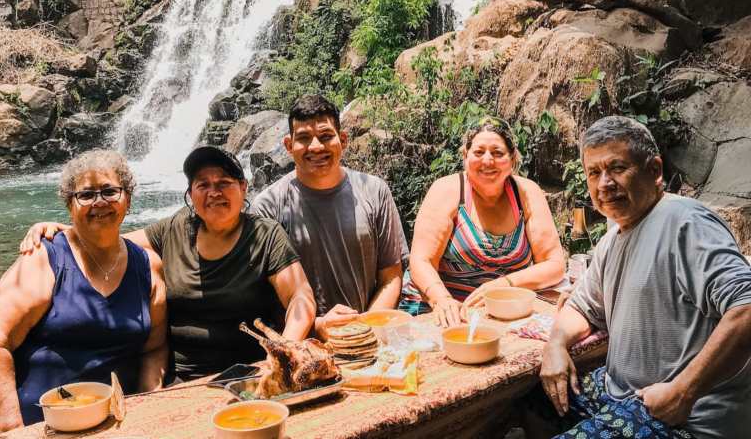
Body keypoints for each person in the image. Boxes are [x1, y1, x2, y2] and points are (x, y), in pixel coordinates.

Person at [21, 145, 316, 381]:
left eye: (224, 183)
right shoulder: (175, 228)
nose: (214, 192)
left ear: (243, 188)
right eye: (203, 184)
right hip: (181, 378)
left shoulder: (265, 235)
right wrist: (67, 230)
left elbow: (300, 296)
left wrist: (282, 351)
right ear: (190, 195)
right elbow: (111, 240)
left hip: (252, 373)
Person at [537, 116, 751, 439]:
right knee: (534, 397)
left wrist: (683, 391)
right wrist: (555, 344)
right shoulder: (614, 237)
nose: (604, 183)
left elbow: (747, 306)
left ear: (655, 171)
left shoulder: (686, 223)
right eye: (594, 173)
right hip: (623, 394)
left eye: (617, 168)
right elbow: (582, 307)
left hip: (683, 419)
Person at [0, 150, 167, 437]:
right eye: (86, 195)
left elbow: (154, 349)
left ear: (127, 200)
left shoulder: (148, 268)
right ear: (70, 205)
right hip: (17, 426)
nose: (99, 202)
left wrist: (148, 410)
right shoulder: (41, 261)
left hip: (100, 426)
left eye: (110, 191)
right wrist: (13, 431)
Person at [251, 94, 409, 339]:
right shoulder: (268, 207)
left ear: (343, 140)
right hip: (302, 344)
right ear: (288, 145)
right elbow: (264, 296)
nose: (316, 147)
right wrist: (318, 326)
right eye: (303, 138)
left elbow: (391, 276)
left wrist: (364, 328)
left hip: (370, 336)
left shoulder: (375, 191)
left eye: (325, 136)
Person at [400, 117, 566, 326]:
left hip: (500, 313)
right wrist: (441, 299)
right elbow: (420, 261)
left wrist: (505, 284)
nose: (488, 161)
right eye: (479, 152)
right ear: (465, 155)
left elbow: (554, 264)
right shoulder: (447, 191)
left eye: (498, 153)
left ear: (512, 158)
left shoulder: (526, 193)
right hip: (436, 310)